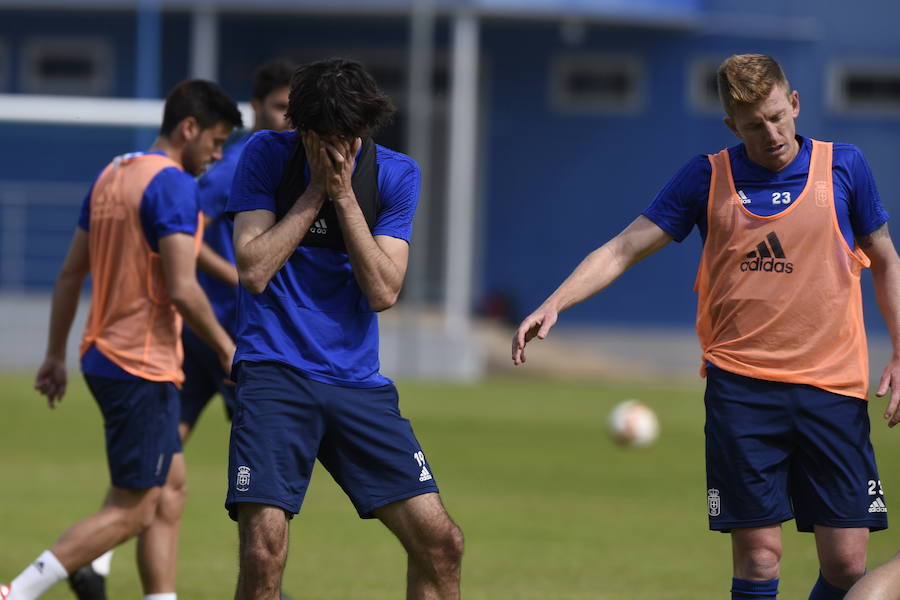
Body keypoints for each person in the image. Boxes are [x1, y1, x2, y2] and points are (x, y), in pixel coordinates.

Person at [512, 53, 900, 600]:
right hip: (742, 391)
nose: (770, 134)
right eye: (752, 126)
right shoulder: (707, 176)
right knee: (761, 558)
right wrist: (556, 302)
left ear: (793, 103)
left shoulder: (845, 167)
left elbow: (886, 261)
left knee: (845, 563)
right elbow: (624, 247)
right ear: (731, 127)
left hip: (832, 390)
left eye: (775, 116)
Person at [225, 57, 464, 599]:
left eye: (349, 137)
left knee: (440, 542)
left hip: (356, 383)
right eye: (323, 137)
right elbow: (254, 269)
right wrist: (314, 191)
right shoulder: (266, 155)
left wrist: (345, 195)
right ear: (301, 129)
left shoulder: (396, 174)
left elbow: (383, 291)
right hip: (274, 374)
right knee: (264, 551)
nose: (339, 149)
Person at [63, 60, 296, 600]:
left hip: (222, 330)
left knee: (162, 460)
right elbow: (190, 241)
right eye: (280, 106)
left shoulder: (280, 161)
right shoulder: (231, 162)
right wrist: (243, 270)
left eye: (294, 108)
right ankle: (265, 585)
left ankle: (94, 560)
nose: (288, 118)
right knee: (252, 459)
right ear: (257, 106)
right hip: (216, 332)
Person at [2, 79, 242, 600]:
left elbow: (70, 275)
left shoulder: (114, 174)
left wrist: (53, 355)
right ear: (189, 128)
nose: (217, 154)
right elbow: (182, 288)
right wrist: (227, 348)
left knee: (170, 488)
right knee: (135, 509)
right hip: (141, 363)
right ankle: (16, 592)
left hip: (103, 353)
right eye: (216, 142)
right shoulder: (175, 184)